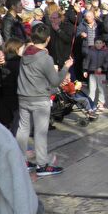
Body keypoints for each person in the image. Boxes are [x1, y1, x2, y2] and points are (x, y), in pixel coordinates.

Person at [16, 24, 72, 176]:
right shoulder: (45, 58)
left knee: (23, 129)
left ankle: (21, 161)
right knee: (40, 133)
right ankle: (42, 165)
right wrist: (66, 68)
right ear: (48, 39)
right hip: (39, 99)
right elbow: (55, 81)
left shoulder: (25, 53)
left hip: (23, 96)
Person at [0, 38, 25, 134]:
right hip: (16, 98)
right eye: (22, 48)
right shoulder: (19, 63)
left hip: (4, 98)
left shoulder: (4, 62)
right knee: (16, 126)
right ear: (16, 49)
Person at [83, 38, 108, 111]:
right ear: (94, 44)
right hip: (92, 73)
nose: (98, 44)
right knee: (92, 89)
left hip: (102, 74)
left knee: (102, 89)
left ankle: (101, 103)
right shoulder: (90, 51)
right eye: (97, 43)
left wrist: (102, 67)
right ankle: (90, 102)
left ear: (103, 44)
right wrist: (85, 70)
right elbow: (87, 61)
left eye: (100, 43)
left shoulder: (106, 52)